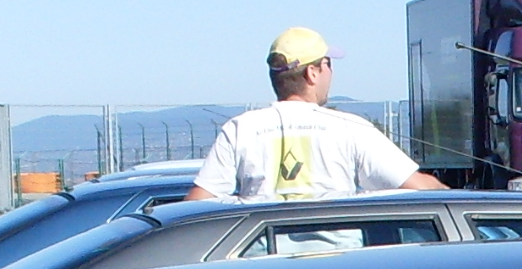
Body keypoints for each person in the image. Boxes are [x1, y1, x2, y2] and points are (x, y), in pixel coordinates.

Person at [188, 27, 446, 202]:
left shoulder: (240, 129)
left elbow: (198, 203)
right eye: (327, 64)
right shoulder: (350, 128)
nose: (330, 72)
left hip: (264, 264)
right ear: (312, 73)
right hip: (338, 263)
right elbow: (418, 188)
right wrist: (453, 193)